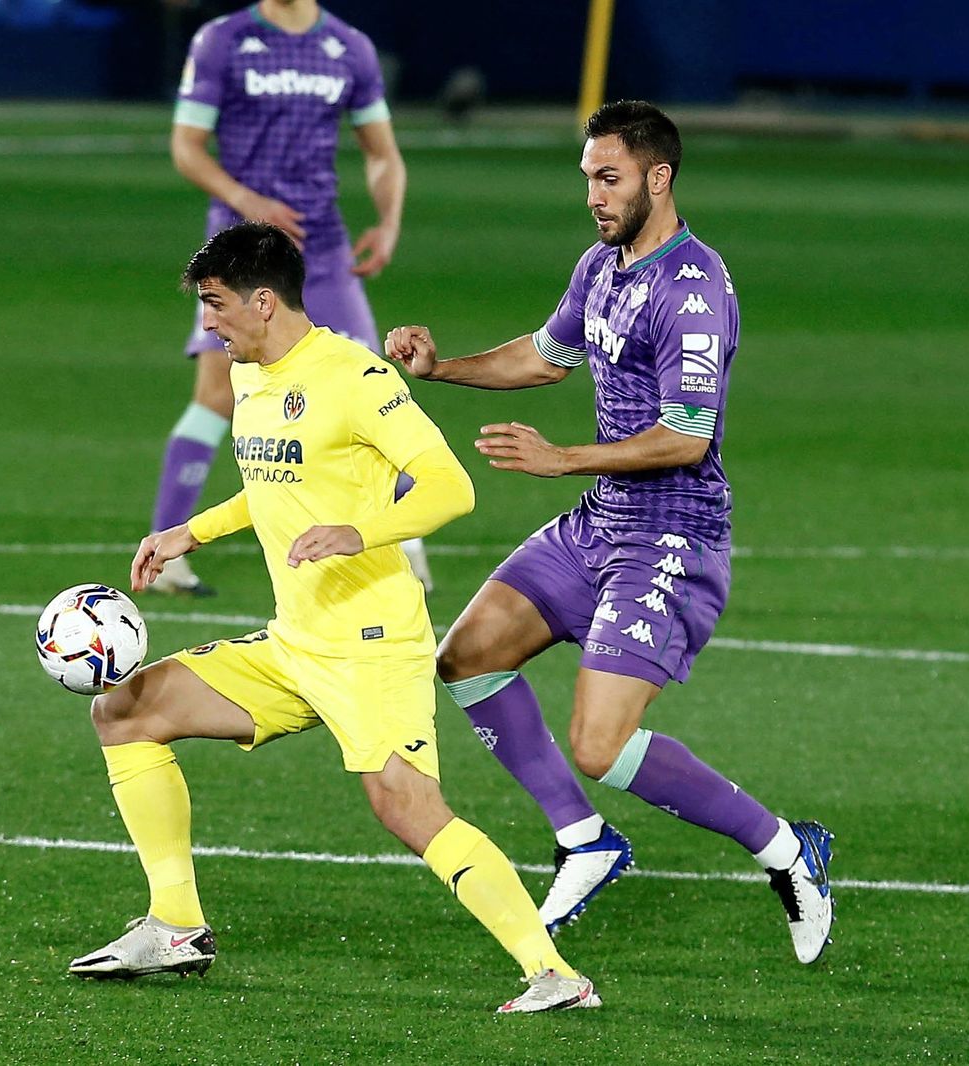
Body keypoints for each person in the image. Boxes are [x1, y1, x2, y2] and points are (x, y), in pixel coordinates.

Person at [70, 222, 598, 1013]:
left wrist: (360, 530)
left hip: (372, 643)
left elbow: (450, 485)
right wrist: (194, 530)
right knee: (125, 709)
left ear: (262, 300)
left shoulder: (357, 376)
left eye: (215, 305)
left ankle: (554, 975)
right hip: (296, 642)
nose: (207, 322)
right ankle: (175, 925)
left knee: (408, 808)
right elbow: (278, 481)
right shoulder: (250, 374)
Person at [383, 101, 835, 964]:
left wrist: (563, 460)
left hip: (672, 535)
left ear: (658, 178)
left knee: (598, 743)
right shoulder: (603, 265)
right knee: (468, 655)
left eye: (609, 177)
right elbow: (544, 356)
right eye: (588, 177)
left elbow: (687, 437)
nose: (593, 194)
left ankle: (786, 850)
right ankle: (587, 842)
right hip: (601, 525)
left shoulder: (692, 290)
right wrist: (443, 368)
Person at [147, 0, 434, 597]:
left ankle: (403, 541)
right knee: (215, 392)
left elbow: (381, 152)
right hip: (239, 252)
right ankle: (167, 549)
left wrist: (388, 220)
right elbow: (187, 146)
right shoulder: (223, 40)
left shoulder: (350, 48)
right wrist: (243, 197)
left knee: (373, 386)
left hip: (321, 250)